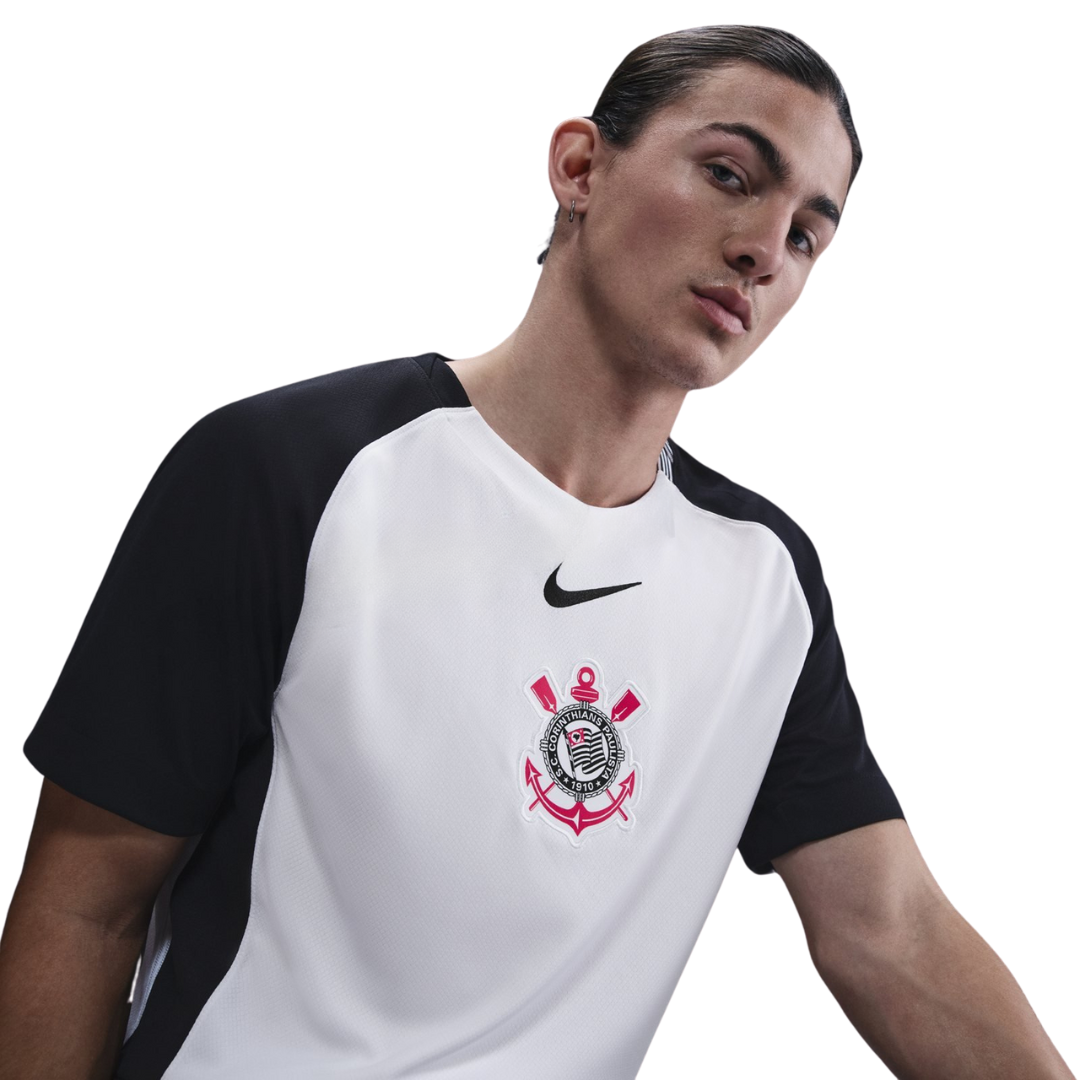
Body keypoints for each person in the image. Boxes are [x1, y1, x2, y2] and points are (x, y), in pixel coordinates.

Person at [0, 23, 1072, 1080]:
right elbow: (86, 904)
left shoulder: (762, 584)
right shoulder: (288, 472)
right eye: (729, 175)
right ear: (580, 168)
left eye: (806, 237)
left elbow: (891, 932)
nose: (763, 248)